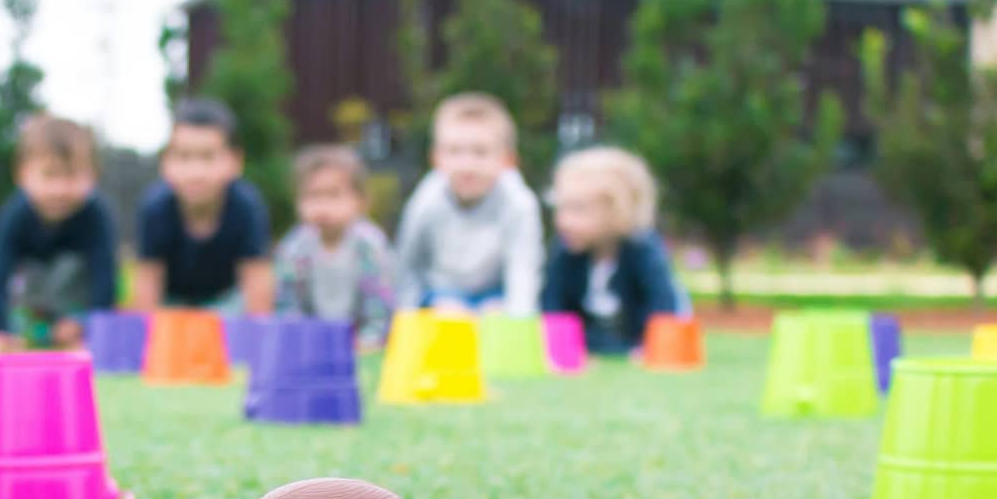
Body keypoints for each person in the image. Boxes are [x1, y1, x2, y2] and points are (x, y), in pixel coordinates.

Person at [394, 93, 544, 315]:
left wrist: (517, 320)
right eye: (455, 151)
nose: (467, 165)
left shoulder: (520, 203)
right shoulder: (424, 201)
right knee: (448, 313)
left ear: (507, 160)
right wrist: (407, 318)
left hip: (495, 294)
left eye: (480, 152)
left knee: (498, 314)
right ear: (436, 158)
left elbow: (523, 269)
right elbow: (408, 266)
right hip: (441, 294)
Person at [0, 115, 117, 351]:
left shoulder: (96, 215)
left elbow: (105, 279)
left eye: (71, 175)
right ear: (23, 175)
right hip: (29, 313)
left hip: (75, 315)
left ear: (92, 176)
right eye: (50, 175)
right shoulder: (14, 215)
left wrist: (89, 325)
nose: (60, 189)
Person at [129, 99, 274, 313]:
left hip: (228, 305)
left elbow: (257, 285)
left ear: (235, 161)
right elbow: (147, 286)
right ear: (165, 162)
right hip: (173, 306)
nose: (196, 172)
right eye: (183, 157)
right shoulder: (155, 208)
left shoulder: (247, 206)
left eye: (208, 157)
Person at [539, 146, 687, 355]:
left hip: (636, 342)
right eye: (561, 208)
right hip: (592, 343)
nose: (564, 221)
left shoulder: (643, 251)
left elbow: (663, 309)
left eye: (578, 209)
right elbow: (553, 309)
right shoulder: (564, 253)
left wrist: (649, 349)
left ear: (617, 210)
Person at [273, 145, 395, 349]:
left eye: (333, 195)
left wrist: (369, 341)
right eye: (312, 196)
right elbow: (287, 303)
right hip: (311, 342)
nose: (322, 206)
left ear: (360, 200)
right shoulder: (294, 247)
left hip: (362, 343)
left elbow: (379, 306)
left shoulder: (370, 245)